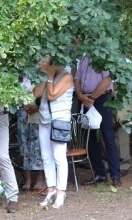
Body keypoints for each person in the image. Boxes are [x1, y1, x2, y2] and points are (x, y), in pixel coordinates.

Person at [75, 52, 122, 187]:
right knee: (88, 138)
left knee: (107, 136)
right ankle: (99, 174)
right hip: (84, 99)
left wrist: (93, 97)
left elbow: (107, 80)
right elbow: (77, 79)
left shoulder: (103, 55)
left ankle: (115, 175)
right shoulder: (83, 57)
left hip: (100, 99)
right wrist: (80, 96)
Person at [35, 54, 73, 209]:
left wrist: (50, 76)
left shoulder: (67, 77)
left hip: (59, 121)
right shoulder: (47, 76)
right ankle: (51, 190)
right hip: (44, 120)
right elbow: (37, 94)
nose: (42, 64)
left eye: (45, 62)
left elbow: (51, 95)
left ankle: (61, 192)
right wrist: (45, 76)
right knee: (46, 157)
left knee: (59, 157)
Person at [17, 77, 45, 193]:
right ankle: (27, 179)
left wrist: (36, 106)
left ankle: (40, 177)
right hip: (23, 113)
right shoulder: (20, 74)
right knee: (24, 145)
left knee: (38, 145)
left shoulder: (41, 75)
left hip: (37, 111)